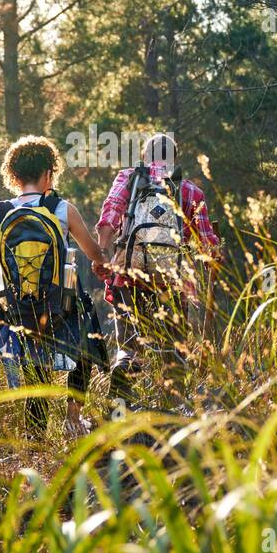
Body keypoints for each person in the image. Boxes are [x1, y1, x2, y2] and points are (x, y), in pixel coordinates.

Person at [0, 136, 109, 435]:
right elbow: (93, 253)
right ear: (50, 172)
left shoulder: (1, 212)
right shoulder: (62, 209)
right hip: (61, 307)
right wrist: (101, 263)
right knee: (85, 337)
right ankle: (73, 419)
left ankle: (34, 437)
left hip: (21, 311)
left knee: (34, 368)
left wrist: (10, 283)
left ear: (15, 175)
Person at [95, 133, 220, 408]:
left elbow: (109, 219)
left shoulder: (128, 178)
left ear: (145, 156)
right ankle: (171, 415)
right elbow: (208, 246)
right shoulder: (190, 190)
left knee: (129, 344)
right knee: (173, 350)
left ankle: (120, 407)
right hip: (171, 283)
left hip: (127, 277)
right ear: (174, 160)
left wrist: (103, 257)